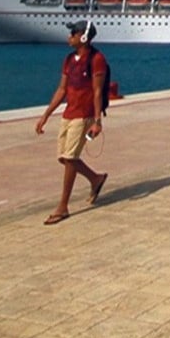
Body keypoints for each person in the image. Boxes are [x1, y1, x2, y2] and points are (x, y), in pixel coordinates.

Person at [35, 20, 109, 225]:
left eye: (73, 33)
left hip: (84, 116)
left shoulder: (97, 59)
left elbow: (96, 91)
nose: (69, 36)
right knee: (64, 158)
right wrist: (46, 115)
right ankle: (96, 179)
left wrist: (97, 121)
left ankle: (63, 207)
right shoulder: (68, 59)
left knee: (70, 158)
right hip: (68, 114)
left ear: (83, 37)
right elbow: (62, 90)